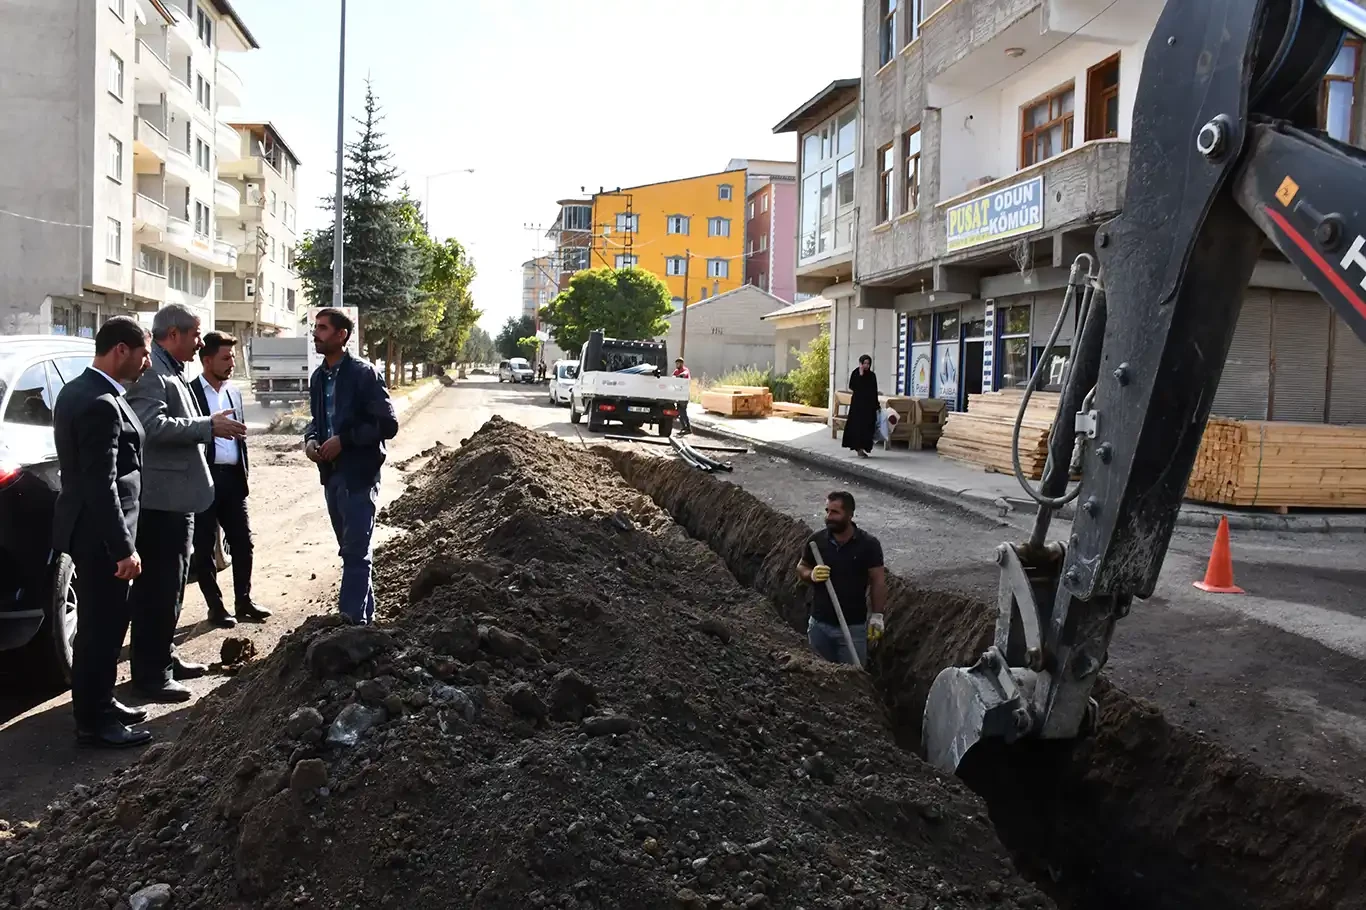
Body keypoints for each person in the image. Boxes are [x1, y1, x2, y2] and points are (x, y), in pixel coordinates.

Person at [126, 304, 247, 702]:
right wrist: (207, 426)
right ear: (173, 335)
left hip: (180, 501)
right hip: (160, 504)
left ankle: (165, 657)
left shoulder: (173, 370)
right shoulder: (152, 373)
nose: (200, 342)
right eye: (195, 334)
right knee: (157, 590)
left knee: (174, 585)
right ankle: (150, 675)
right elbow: (150, 426)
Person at [52, 316, 153, 748]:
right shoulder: (100, 402)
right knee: (101, 629)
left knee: (103, 626)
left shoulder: (79, 390)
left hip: (91, 532)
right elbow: (100, 483)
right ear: (121, 350)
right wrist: (123, 548)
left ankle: (102, 702)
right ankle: (94, 723)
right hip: (101, 538)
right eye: (144, 352)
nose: (147, 362)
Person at [304, 308, 398, 625]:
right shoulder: (318, 378)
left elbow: (388, 425)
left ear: (342, 335)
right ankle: (364, 625)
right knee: (351, 550)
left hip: (359, 475)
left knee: (356, 552)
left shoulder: (364, 374)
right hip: (331, 476)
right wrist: (311, 441)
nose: (316, 333)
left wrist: (345, 440)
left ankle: (349, 627)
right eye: (315, 327)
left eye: (323, 328)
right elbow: (317, 422)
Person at [189, 332, 271, 628]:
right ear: (206, 360)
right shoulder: (190, 393)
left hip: (233, 480)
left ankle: (243, 601)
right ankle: (216, 607)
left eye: (233, 357)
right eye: (225, 358)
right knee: (204, 546)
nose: (231, 363)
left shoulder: (234, 392)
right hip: (203, 479)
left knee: (242, 542)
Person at [795, 491, 887, 667]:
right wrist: (811, 574)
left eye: (835, 512)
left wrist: (877, 615)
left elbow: (878, 581)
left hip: (853, 628)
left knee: (854, 681)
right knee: (819, 676)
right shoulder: (817, 541)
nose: (829, 517)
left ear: (850, 514)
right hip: (819, 625)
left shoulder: (868, 545)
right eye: (827, 511)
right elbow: (801, 567)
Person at [842, 354, 880, 457]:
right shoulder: (856, 373)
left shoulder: (872, 375)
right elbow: (853, 386)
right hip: (858, 406)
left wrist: (877, 405)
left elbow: (874, 391)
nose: (866, 365)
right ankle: (858, 448)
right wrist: (861, 375)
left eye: (868, 363)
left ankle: (864, 447)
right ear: (861, 363)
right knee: (858, 427)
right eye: (864, 363)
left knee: (868, 427)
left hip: (869, 406)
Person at [672, 357, 692, 435]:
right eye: (676, 363)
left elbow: (684, 374)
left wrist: (679, 376)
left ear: (682, 364)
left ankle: (687, 428)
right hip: (678, 395)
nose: (677, 365)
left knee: (683, 412)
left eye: (678, 363)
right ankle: (684, 427)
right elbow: (673, 376)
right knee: (679, 412)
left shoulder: (685, 370)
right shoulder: (676, 371)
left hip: (684, 395)